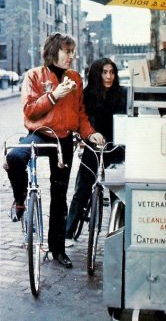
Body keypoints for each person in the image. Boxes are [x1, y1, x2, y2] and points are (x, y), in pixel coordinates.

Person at [5, 32, 104, 268]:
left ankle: (57, 249)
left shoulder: (75, 79)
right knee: (14, 157)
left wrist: (90, 133)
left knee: (59, 195)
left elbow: (80, 114)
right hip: (40, 135)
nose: (72, 56)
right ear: (54, 51)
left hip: (65, 139)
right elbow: (29, 110)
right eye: (67, 51)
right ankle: (20, 199)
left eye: (72, 51)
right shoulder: (34, 76)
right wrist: (53, 96)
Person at [66, 57, 127, 239]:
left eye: (112, 72)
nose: (109, 76)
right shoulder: (86, 95)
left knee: (118, 194)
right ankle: (68, 232)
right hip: (93, 148)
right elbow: (80, 120)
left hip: (115, 149)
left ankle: (119, 235)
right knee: (82, 190)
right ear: (96, 74)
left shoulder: (122, 94)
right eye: (104, 72)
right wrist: (85, 137)